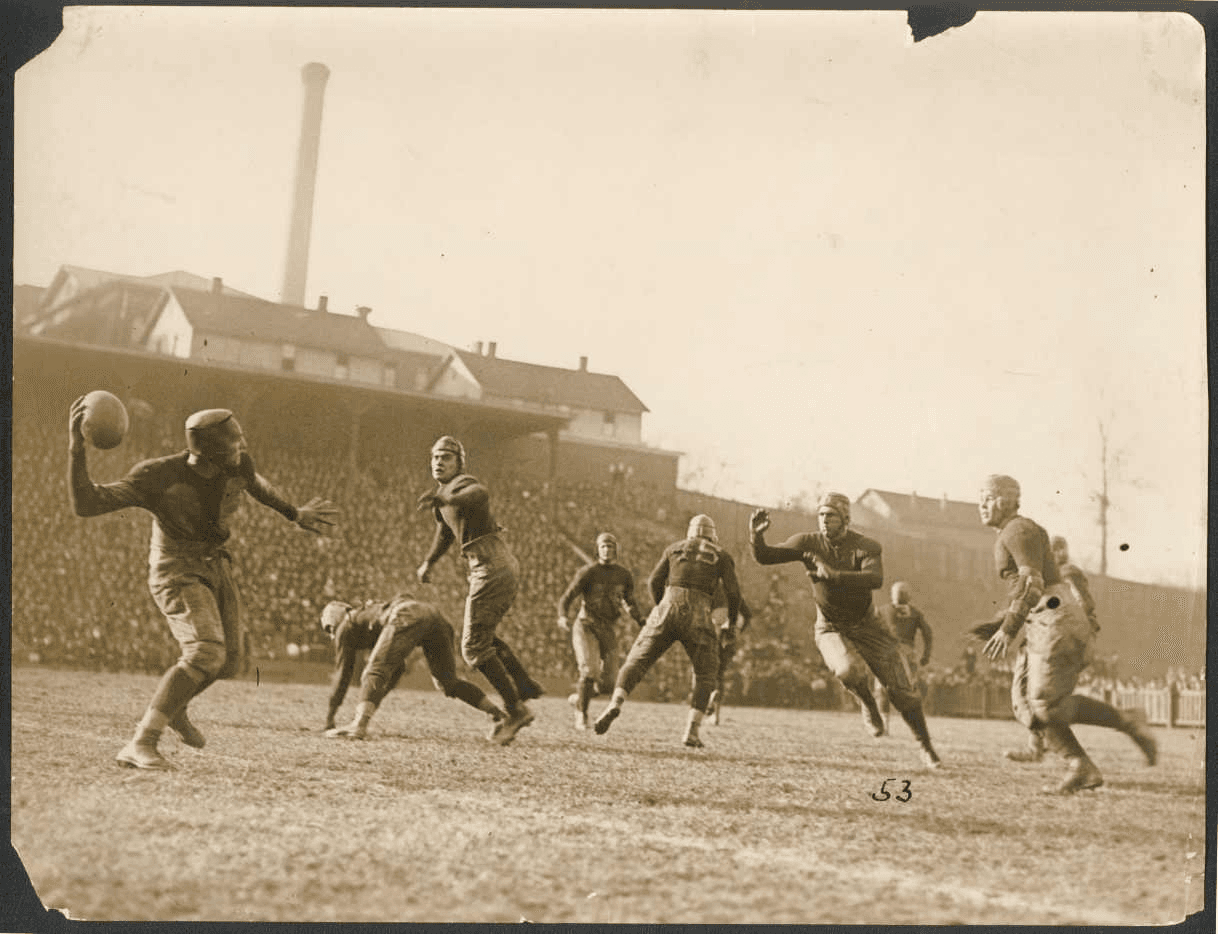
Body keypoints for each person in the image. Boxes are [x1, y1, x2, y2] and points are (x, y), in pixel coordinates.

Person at [68, 403, 338, 770]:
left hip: (214, 562)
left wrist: (294, 513)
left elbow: (256, 485)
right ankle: (141, 741)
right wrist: (76, 448)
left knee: (230, 662)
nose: (241, 448)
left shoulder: (238, 463)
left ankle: (174, 706)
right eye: (233, 444)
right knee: (206, 652)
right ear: (209, 453)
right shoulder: (159, 475)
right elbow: (87, 504)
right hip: (176, 566)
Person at [973, 475, 1156, 793]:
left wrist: (1007, 628)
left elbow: (1032, 583)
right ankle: (1065, 757)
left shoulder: (1019, 529)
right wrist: (1000, 623)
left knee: (1046, 704)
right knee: (1027, 707)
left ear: (1006, 499)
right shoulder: (1012, 531)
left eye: (987, 498)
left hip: (1055, 617)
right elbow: (1025, 586)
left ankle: (1110, 736)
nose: (981, 505)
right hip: (1040, 618)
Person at [749, 494, 941, 769]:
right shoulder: (808, 542)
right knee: (847, 670)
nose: (825, 520)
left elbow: (875, 578)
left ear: (846, 519)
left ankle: (926, 746)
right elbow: (766, 557)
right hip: (829, 625)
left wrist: (835, 575)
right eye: (821, 515)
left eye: (831, 515)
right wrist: (756, 537)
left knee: (901, 689)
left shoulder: (864, 545)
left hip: (868, 624)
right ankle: (868, 704)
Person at [416, 436, 542, 746]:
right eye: (434, 457)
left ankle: (516, 710)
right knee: (482, 639)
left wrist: (447, 500)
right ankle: (522, 687)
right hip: (490, 564)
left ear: (459, 462)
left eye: (446, 457)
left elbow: (479, 493)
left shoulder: (461, 485)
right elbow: (445, 532)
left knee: (472, 647)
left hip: (492, 564)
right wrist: (429, 563)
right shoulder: (443, 497)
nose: (439, 462)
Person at [593, 515, 741, 748]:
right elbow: (733, 593)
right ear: (712, 534)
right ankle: (691, 731)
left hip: (667, 604)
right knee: (707, 673)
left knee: (637, 660)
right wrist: (731, 623)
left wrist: (661, 607)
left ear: (690, 533)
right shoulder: (721, 555)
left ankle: (615, 703)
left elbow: (654, 581)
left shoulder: (674, 548)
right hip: (700, 610)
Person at [319, 593, 507, 741]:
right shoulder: (366, 617)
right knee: (447, 682)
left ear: (332, 621)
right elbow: (397, 669)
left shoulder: (346, 625)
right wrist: (373, 700)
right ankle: (498, 714)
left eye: (329, 630)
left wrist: (329, 718)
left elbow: (343, 674)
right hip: (433, 615)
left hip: (406, 614)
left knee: (373, 670)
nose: (331, 635)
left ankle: (358, 726)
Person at [1001, 531, 1107, 764]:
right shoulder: (1044, 577)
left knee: (1033, 698)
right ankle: (1037, 746)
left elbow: (1083, 603)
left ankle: (1048, 747)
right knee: (1027, 696)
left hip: (1054, 641)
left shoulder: (1066, 573)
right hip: (1038, 640)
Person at [557, 532, 645, 730]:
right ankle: (582, 714)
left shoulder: (623, 575)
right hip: (586, 625)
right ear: (597, 549)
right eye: (603, 546)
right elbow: (567, 597)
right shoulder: (588, 572)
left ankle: (580, 698)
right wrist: (563, 616)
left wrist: (641, 619)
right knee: (589, 671)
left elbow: (630, 602)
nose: (607, 550)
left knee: (610, 683)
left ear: (616, 550)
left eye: (610, 546)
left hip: (608, 629)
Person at [875, 581, 933, 717]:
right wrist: (926, 655)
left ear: (892, 595)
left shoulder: (883, 610)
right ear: (909, 596)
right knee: (909, 689)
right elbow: (927, 633)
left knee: (882, 688)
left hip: (886, 652)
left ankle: (885, 724)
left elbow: (870, 630)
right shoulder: (915, 613)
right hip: (907, 653)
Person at [706, 594, 752, 725]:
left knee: (704, 671)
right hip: (730, 636)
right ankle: (716, 715)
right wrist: (738, 630)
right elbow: (748, 614)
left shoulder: (712, 589)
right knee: (720, 674)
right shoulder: (734, 591)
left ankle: (708, 701)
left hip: (713, 634)